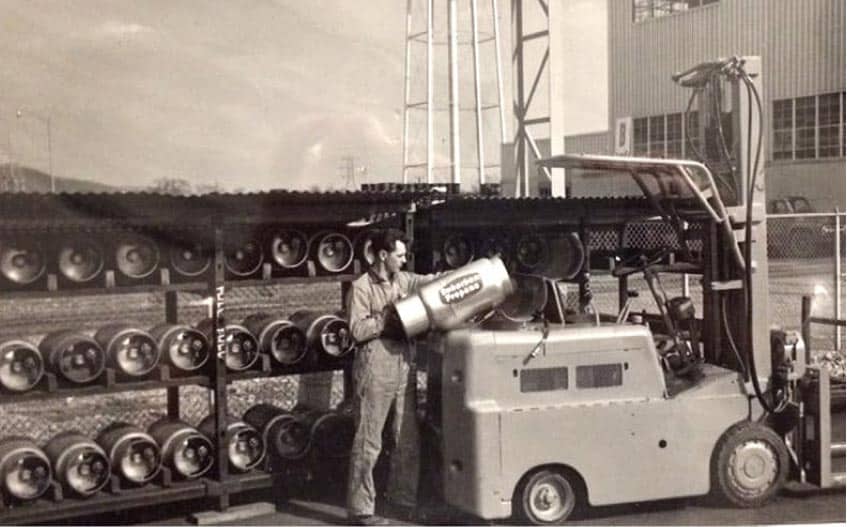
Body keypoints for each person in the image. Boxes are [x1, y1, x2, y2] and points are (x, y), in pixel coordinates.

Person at [345, 228, 434, 526]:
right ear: (383, 255)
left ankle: (401, 500)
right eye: (400, 255)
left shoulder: (405, 280)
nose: (405, 260)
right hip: (375, 368)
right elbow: (356, 330)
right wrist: (387, 318)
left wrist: (472, 271)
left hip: (403, 367)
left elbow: (432, 281)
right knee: (368, 441)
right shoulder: (361, 287)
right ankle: (361, 510)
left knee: (407, 439)